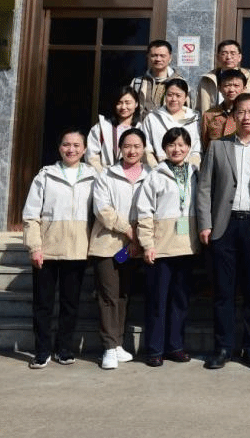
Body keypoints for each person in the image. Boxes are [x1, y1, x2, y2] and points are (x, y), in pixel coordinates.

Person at [197, 93, 250, 370]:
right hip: (224, 226)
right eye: (241, 112)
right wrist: (205, 223)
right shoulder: (218, 146)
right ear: (233, 116)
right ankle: (223, 348)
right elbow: (205, 188)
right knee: (223, 292)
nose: (246, 117)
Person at [22, 127, 96, 368]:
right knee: (43, 304)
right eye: (66, 144)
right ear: (59, 148)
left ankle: (64, 348)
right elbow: (31, 215)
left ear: (84, 149)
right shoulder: (45, 176)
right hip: (48, 249)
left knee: (70, 304)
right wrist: (35, 247)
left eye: (76, 145)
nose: (71, 149)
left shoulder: (93, 177)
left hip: (77, 250)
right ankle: (42, 351)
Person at [135, 127, 200, 367]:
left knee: (180, 300)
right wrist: (147, 244)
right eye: (172, 145)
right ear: (164, 148)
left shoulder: (195, 173)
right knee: (157, 301)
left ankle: (175, 346)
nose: (177, 149)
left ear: (189, 147)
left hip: (187, 247)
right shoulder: (155, 175)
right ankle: (154, 349)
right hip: (160, 248)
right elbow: (144, 212)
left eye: (182, 144)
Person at [89, 127, 150, 370]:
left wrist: (138, 238)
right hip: (108, 245)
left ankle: (118, 344)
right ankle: (108, 346)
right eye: (127, 146)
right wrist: (128, 230)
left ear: (144, 149)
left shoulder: (151, 175)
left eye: (136, 146)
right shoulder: (107, 175)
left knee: (124, 295)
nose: (132, 151)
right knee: (108, 295)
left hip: (133, 247)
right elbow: (102, 209)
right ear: (119, 149)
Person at [141, 78, 201, 167]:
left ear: (185, 98)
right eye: (170, 95)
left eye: (178, 95)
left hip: (188, 170)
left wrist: (190, 170)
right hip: (159, 169)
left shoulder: (194, 118)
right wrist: (156, 169)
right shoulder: (152, 118)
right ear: (165, 96)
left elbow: (197, 149)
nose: (173, 99)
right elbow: (146, 148)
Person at [195, 40, 250, 114]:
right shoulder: (207, 80)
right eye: (224, 54)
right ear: (217, 57)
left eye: (233, 53)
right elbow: (198, 108)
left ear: (239, 57)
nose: (229, 57)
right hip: (213, 120)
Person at [87, 86, 143, 172]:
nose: (123, 107)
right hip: (105, 175)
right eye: (119, 103)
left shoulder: (142, 129)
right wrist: (103, 174)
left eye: (127, 103)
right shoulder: (102, 127)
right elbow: (91, 156)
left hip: (134, 176)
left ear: (136, 104)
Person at [131, 40, 186, 115]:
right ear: (148, 56)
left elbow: (187, 111)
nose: (158, 59)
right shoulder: (137, 83)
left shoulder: (181, 83)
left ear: (170, 58)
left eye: (162, 56)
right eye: (154, 55)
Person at [200, 68, 246, 149]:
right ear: (219, 88)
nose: (231, 90)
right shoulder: (209, 115)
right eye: (227, 86)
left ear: (244, 89)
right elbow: (205, 145)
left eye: (236, 86)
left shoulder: (249, 116)